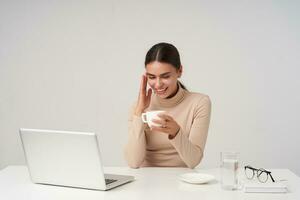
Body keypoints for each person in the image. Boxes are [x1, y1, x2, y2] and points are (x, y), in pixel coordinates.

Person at [125, 42, 211, 169]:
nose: (158, 84)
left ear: (179, 71)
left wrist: (176, 132)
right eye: (152, 77)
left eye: (165, 76)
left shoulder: (199, 103)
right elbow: (133, 162)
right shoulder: (139, 107)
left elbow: (193, 161)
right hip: (145, 181)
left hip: (181, 181)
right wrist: (139, 112)